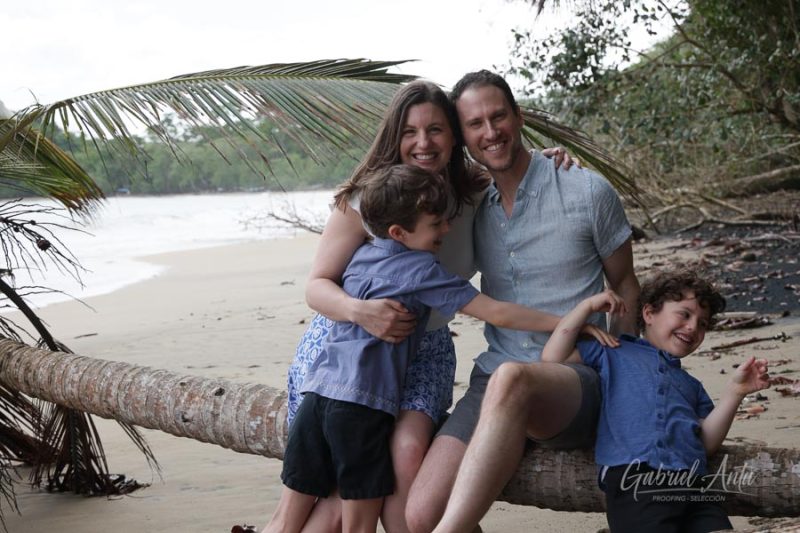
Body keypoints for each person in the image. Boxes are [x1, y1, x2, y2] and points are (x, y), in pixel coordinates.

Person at [276, 80, 574, 533]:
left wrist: (545, 159)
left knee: (406, 456)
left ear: (454, 135)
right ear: (394, 137)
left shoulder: (472, 191)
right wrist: (362, 311)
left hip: (425, 348)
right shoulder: (369, 200)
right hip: (347, 348)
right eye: (410, 131)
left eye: (436, 129)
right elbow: (316, 286)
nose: (423, 143)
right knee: (339, 485)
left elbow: (511, 163)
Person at [407, 70, 641, 533]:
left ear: (518, 116)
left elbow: (627, 284)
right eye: (475, 124)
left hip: (578, 378)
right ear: (462, 138)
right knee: (418, 515)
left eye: (499, 117)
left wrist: (628, 377)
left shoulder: (585, 191)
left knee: (514, 379)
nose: (490, 132)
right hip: (496, 375)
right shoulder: (469, 205)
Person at [540, 270, 770, 533]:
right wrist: (587, 307)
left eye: (703, 323)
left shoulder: (691, 385)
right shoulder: (613, 351)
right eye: (684, 314)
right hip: (636, 478)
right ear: (649, 314)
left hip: (695, 483)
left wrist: (736, 392)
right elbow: (553, 357)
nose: (693, 327)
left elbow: (705, 442)